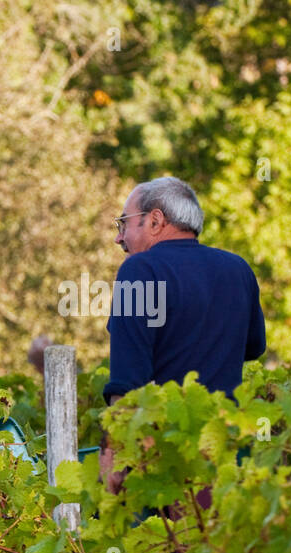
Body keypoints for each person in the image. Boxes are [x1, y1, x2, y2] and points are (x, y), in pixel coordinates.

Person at [100, 176, 266, 492]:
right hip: (228, 459)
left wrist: (116, 455)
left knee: (163, 540)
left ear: (155, 220)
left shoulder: (140, 271)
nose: (119, 239)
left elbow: (127, 377)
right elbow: (254, 347)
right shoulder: (238, 270)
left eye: (124, 224)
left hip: (167, 461)